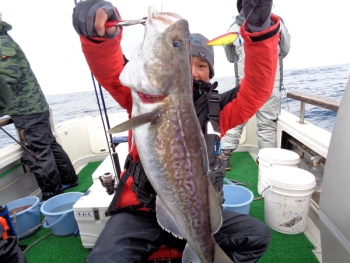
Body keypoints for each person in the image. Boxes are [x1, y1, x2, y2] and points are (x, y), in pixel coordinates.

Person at [72, 0, 279, 262]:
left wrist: (260, 30)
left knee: (255, 235)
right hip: (141, 210)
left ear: (211, 72)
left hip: (197, 213)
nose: (192, 72)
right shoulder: (140, 96)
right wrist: (100, 38)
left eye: (202, 65)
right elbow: (111, 71)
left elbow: (258, 88)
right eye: (185, 61)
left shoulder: (221, 109)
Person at [0, 13, 78, 201]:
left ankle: (53, 196)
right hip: (36, 107)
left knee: (38, 153)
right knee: (49, 145)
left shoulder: (1, 42)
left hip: (26, 110)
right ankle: (69, 179)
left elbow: (7, 78)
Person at [219, 0, 291, 170]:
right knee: (267, 124)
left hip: (245, 84)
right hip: (269, 83)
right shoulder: (277, 22)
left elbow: (230, 58)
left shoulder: (233, 28)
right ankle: (266, 163)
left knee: (238, 119)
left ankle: (224, 157)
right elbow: (285, 49)